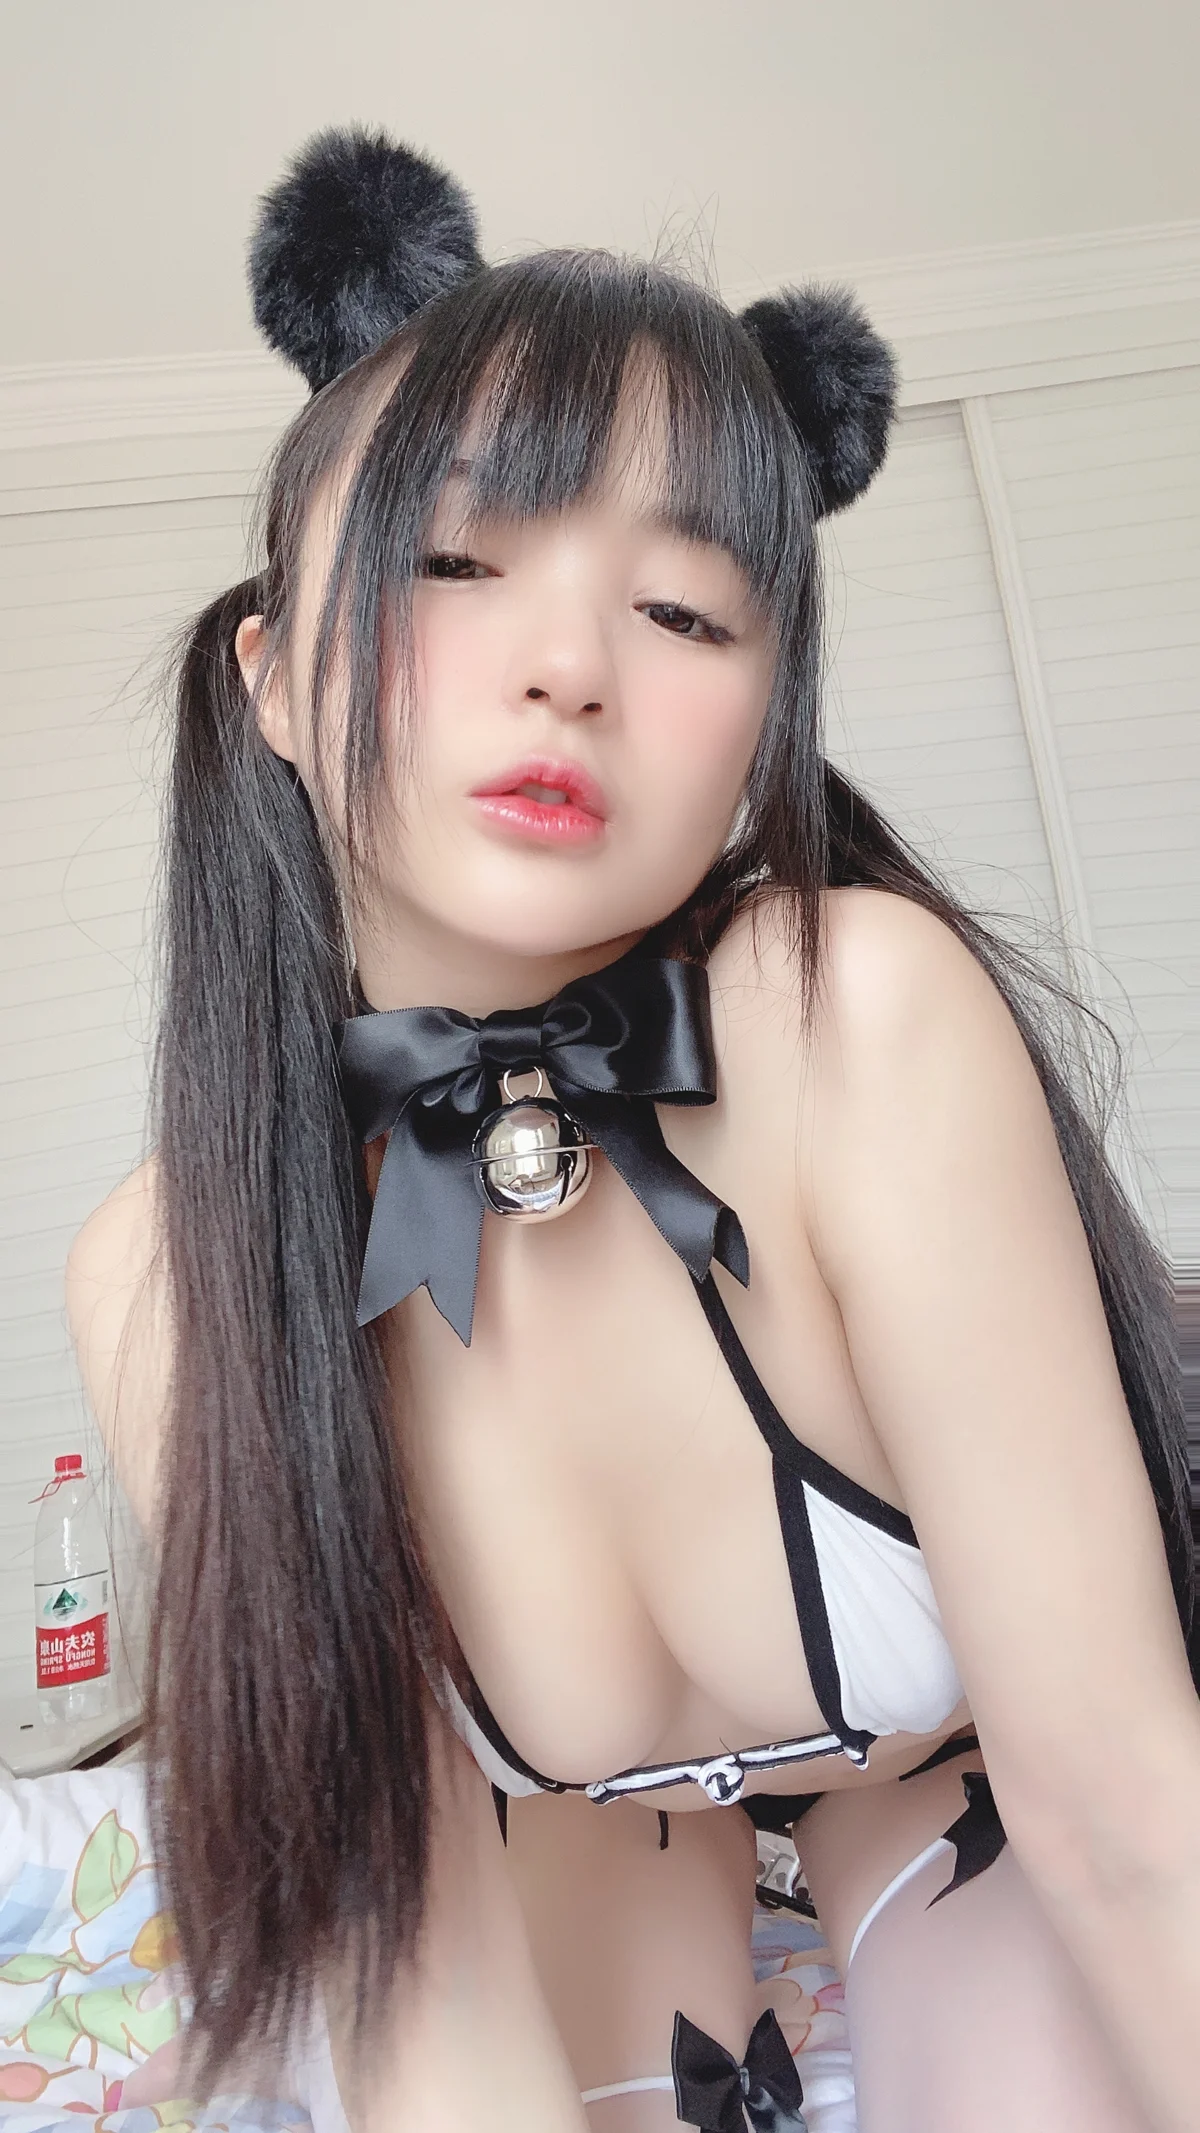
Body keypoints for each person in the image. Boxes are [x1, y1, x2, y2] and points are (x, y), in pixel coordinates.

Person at [63, 127, 1199, 2133]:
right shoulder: (173, 1262)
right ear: (271, 678)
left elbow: (1123, 1797)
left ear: (761, 723)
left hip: (961, 1772)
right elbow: (415, 1991)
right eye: (455, 563)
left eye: (684, 610)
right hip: (584, 1827)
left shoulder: (855, 1018)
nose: (570, 668)